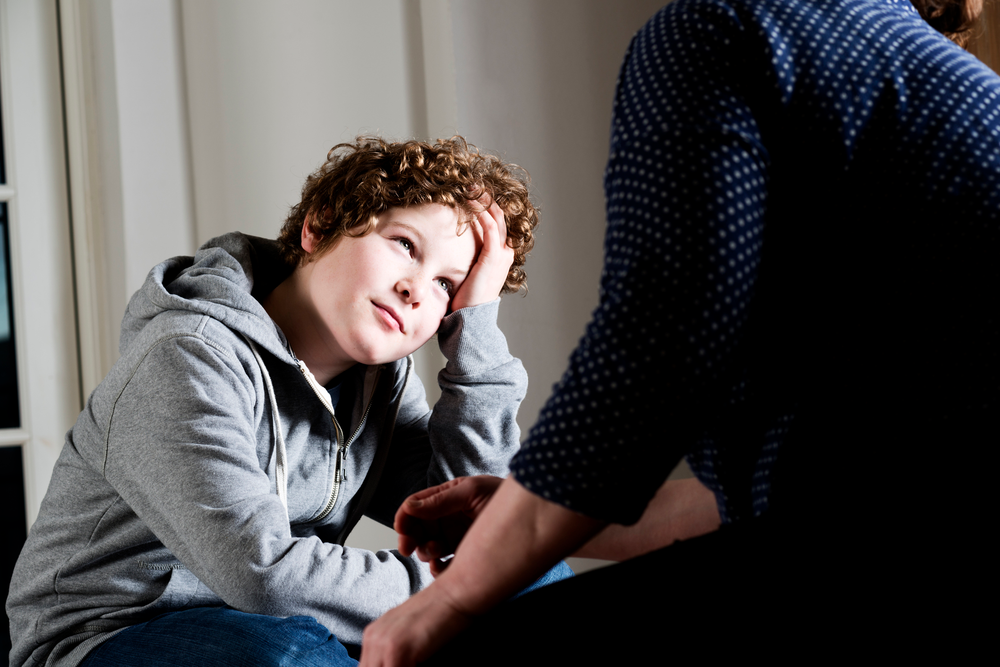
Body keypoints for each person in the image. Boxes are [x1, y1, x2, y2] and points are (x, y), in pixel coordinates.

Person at [359, 0, 999, 664]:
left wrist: (457, 595)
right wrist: (518, 509)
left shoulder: (726, 24)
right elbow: (760, 496)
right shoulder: (941, 78)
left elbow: (658, 344)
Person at [6, 136, 551, 667]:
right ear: (321, 224)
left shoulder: (379, 382)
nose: (415, 288)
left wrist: (475, 336)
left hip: (274, 622)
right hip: (108, 635)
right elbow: (261, 573)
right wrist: (468, 583)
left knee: (539, 572)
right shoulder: (187, 355)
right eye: (405, 245)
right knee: (296, 656)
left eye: (446, 286)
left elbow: (472, 519)